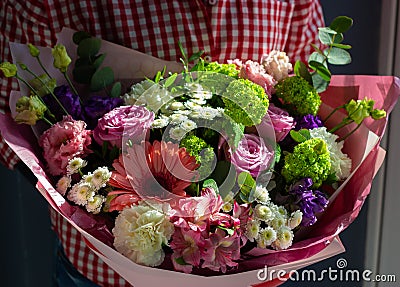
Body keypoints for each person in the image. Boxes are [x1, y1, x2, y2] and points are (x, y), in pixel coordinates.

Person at [0, 1, 325, 286]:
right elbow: (8, 116)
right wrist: (100, 210)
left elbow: (307, 96)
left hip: (254, 269)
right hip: (108, 274)